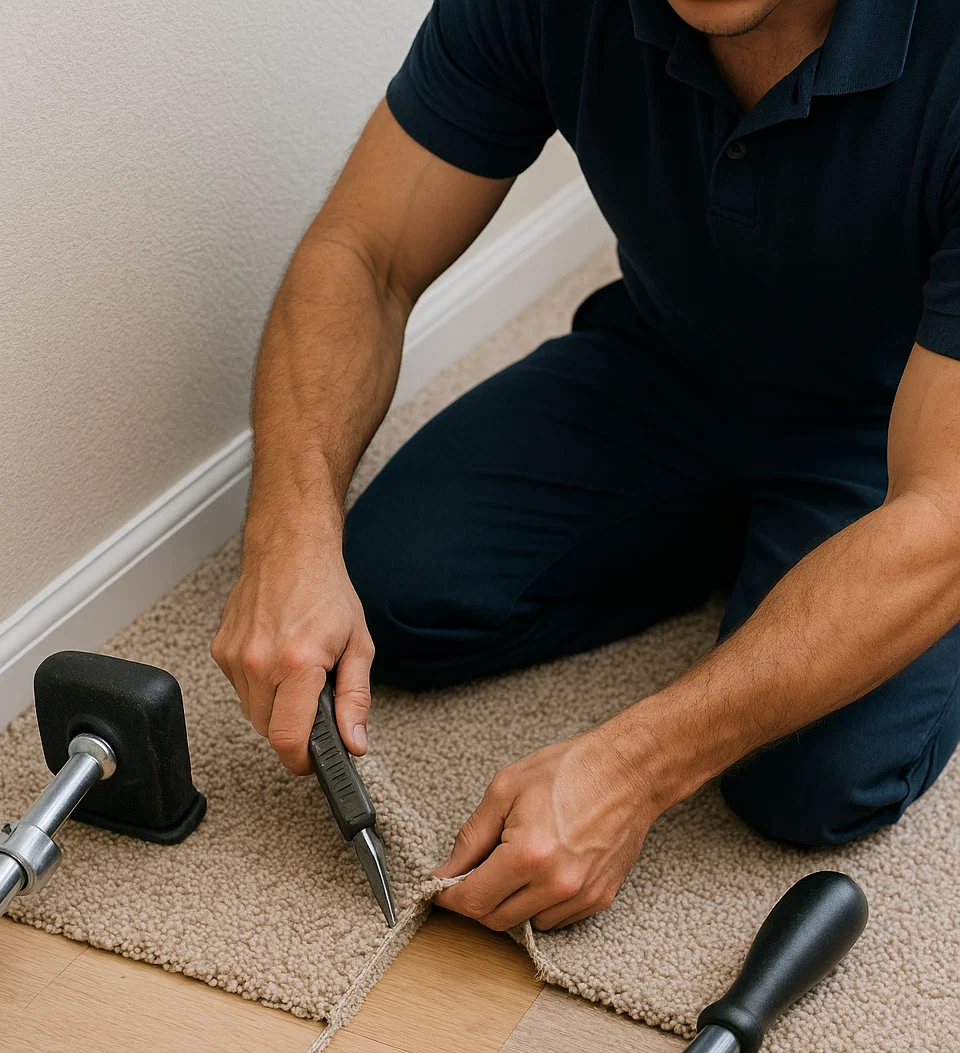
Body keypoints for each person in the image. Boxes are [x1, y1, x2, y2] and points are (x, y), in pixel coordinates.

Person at [211, 0, 960, 933]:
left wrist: (633, 767)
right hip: (666, 361)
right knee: (389, 591)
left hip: (905, 433)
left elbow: (943, 508)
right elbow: (363, 253)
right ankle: (740, 545)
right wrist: (288, 536)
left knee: (812, 783)